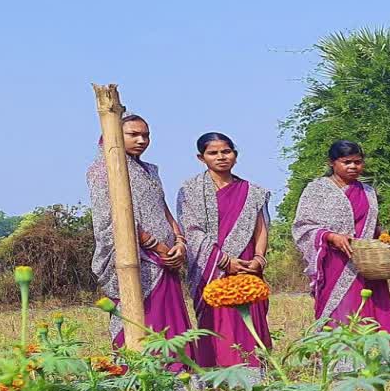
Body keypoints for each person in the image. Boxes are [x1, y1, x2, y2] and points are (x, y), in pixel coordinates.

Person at [86, 114, 193, 352]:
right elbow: (111, 216)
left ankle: (178, 377)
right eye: (133, 134)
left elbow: (162, 207)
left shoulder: (149, 170)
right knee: (140, 316)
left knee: (170, 321)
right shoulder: (102, 171)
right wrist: (157, 247)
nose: (142, 140)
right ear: (114, 136)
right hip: (138, 258)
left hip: (167, 259)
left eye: (146, 135)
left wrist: (179, 242)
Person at [177, 132, 271, 371]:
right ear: (201, 158)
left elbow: (261, 227)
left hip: (247, 265)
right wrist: (223, 260)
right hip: (212, 267)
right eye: (213, 153)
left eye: (226, 151)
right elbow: (192, 230)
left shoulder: (252, 191)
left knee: (248, 315)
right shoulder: (191, 190)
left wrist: (259, 258)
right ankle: (218, 371)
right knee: (218, 318)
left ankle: (253, 372)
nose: (221, 157)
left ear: (235, 156)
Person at [292, 141, 390, 332]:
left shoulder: (368, 191)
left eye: (358, 162)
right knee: (340, 312)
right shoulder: (317, 190)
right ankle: (340, 361)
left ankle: (378, 358)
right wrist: (331, 236)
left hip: (367, 262)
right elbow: (302, 226)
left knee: (371, 312)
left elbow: (372, 224)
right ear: (332, 163)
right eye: (346, 162)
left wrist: (386, 240)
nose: (353, 167)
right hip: (334, 261)